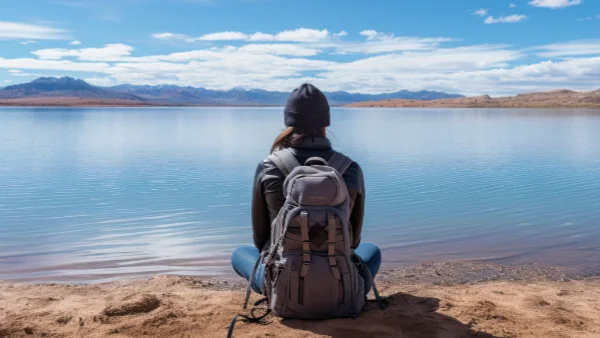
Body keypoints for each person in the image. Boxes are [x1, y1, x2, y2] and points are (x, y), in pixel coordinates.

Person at [230, 83, 381, 300]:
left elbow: (261, 239)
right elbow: (354, 241)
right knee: (371, 250)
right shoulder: (350, 168)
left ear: (289, 121)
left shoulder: (269, 167)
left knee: (239, 254)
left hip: (283, 285)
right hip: (340, 283)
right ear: (325, 122)